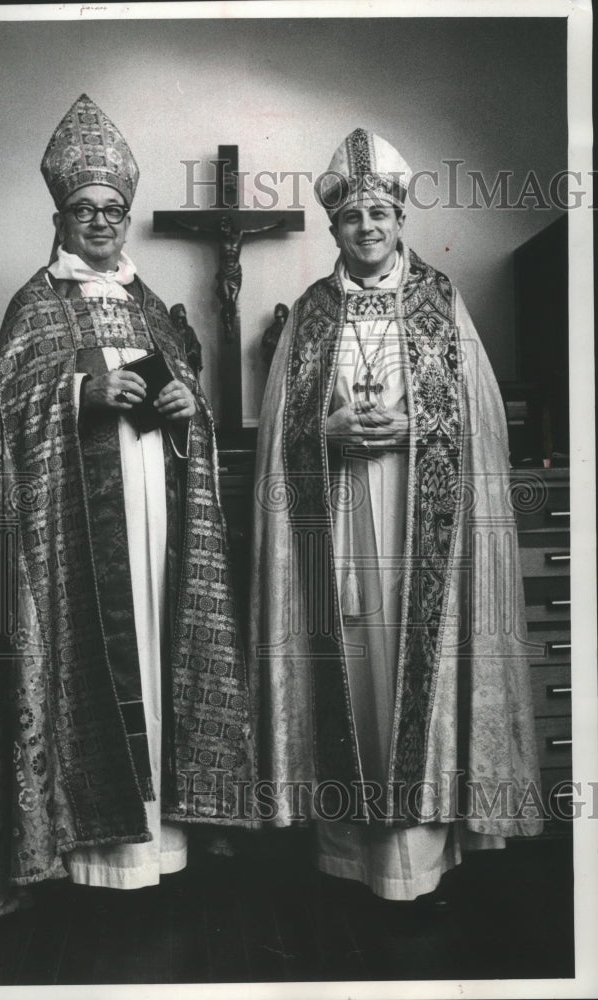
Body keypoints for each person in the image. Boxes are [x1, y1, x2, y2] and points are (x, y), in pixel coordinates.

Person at [0, 94, 255, 925]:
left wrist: (190, 413)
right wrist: (79, 393)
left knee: (157, 658)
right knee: (94, 662)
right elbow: (2, 426)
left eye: (112, 211)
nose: (100, 223)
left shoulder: (153, 308)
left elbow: (190, 409)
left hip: (159, 529)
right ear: (58, 216)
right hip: (68, 546)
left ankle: (162, 846)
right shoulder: (36, 306)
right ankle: (89, 863)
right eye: (83, 210)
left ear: (125, 215)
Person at [250, 127, 542, 903]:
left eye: (379, 213)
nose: (367, 228)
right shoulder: (310, 314)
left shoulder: (441, 301)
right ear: (334, 228)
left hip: (422, 527)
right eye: (352, 218)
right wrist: (323, 430)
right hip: (339, 520)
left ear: (399, 219)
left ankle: (415, 865)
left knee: (417, 672)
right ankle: (346, 854)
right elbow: (280, 425)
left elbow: (482, 417)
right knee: (349, 665)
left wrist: (423, 429)